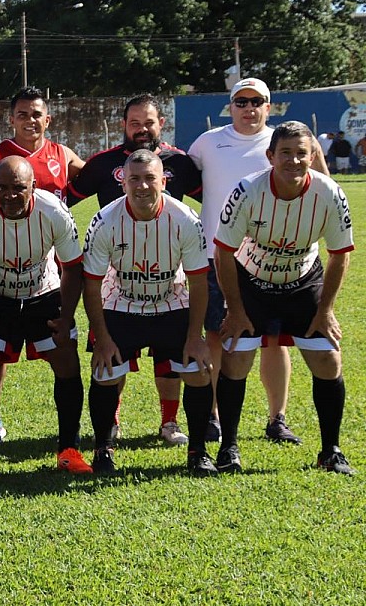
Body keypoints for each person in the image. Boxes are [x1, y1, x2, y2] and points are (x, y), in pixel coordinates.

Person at [188, 78, 328, 446]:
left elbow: (324, 188)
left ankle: (276, 418)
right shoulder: (207, 143)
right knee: (219, 334)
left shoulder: (286, 143)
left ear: (270, 106)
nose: (248, 108)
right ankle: (215, 416)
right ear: (229, 106)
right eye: (240, 101)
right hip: (221, 257)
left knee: (275, 340)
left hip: (279, 260)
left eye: (257, 102)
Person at [213, 122, 354, 475]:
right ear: (270, 156)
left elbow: (339, 254)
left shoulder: (330, 192)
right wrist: (236, 309)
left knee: (328, 363)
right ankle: (229, 447)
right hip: (252, 282)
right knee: (235, 361)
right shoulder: (247, 191)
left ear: (312, 156)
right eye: (286, 153)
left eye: (301, 153)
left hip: (303, 282)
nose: (294, 161)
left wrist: (326, 311)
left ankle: (330, 451)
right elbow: (224, 253)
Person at [66, 94, 202, 447]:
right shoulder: (101, 164)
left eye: (149, 123)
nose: (142, 130)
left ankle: (170, 422)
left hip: (169, 275)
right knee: (112, 358)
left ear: (161, 125)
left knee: (170, 361)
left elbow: (213, 198)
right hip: (118, 280)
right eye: (135, 123)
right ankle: (110, 423)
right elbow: (64, 201)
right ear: (124, 126)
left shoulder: (181, 164)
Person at [82, 151, 216, 475]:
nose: (142, 186)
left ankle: (198, 451)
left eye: (150, 178)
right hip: (122, 303)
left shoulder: (185, 219)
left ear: (163, 180)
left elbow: (199, 282)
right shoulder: (104, 221)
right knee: (105, 371)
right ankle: (103, 449)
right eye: (135, 179)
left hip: (171, 302)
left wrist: (196, 337)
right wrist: (101, 338)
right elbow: (91, 285)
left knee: (198, 369)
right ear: (123, 182)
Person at [0, 157, 91, 479]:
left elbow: (73, 267)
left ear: (34, 186)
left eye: (18, 188)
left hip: (41, 293)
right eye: (2, 188)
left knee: (66, 360)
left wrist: (67, 315)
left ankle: (69, 450)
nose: (10, 195)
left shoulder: (55, 211)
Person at [0, 87, 84, 444]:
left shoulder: (61, 154)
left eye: (36, 114)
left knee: (62, 350)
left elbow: (96, 178)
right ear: (12, 118)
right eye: (22, 114)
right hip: (0, 264)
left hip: (47, 267)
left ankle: (72, 439)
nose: (29, 120)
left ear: (47, 119)